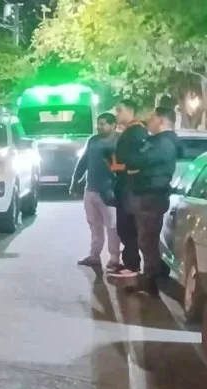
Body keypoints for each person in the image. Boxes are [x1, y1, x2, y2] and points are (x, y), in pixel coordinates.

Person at [124, 107, 180, 296]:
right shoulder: (160, 141)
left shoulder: (163, 143)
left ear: (162, 121)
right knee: (147, 239)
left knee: (147, 240)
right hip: (149, 196)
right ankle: (151, 277)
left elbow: (136, 160)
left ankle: (150, 281)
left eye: (153, 118)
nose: (149, 122)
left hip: (151, 196)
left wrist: (134, 166)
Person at [72, 112, 120, 270]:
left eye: (103, 123)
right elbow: (83, 161)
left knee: (112, 226)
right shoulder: (93, 140)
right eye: (98, 123)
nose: (99, 127)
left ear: (113, 125)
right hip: (91, 189)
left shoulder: (120, 141)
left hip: (110, 192)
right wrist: (75, 180)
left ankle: (114, 257)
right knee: (94, 224)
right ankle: (94, 255)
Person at [108, 99, 149, 278]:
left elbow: (140, 159)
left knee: (127, 226)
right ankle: (129, 262)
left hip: (130, 186)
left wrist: (123, 168)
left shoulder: (137, 132)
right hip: (124, 184)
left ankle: (132, 265)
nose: (117, 115)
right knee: (124, 226)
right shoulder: (129, 131)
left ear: (130, 111)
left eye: (119, 111)